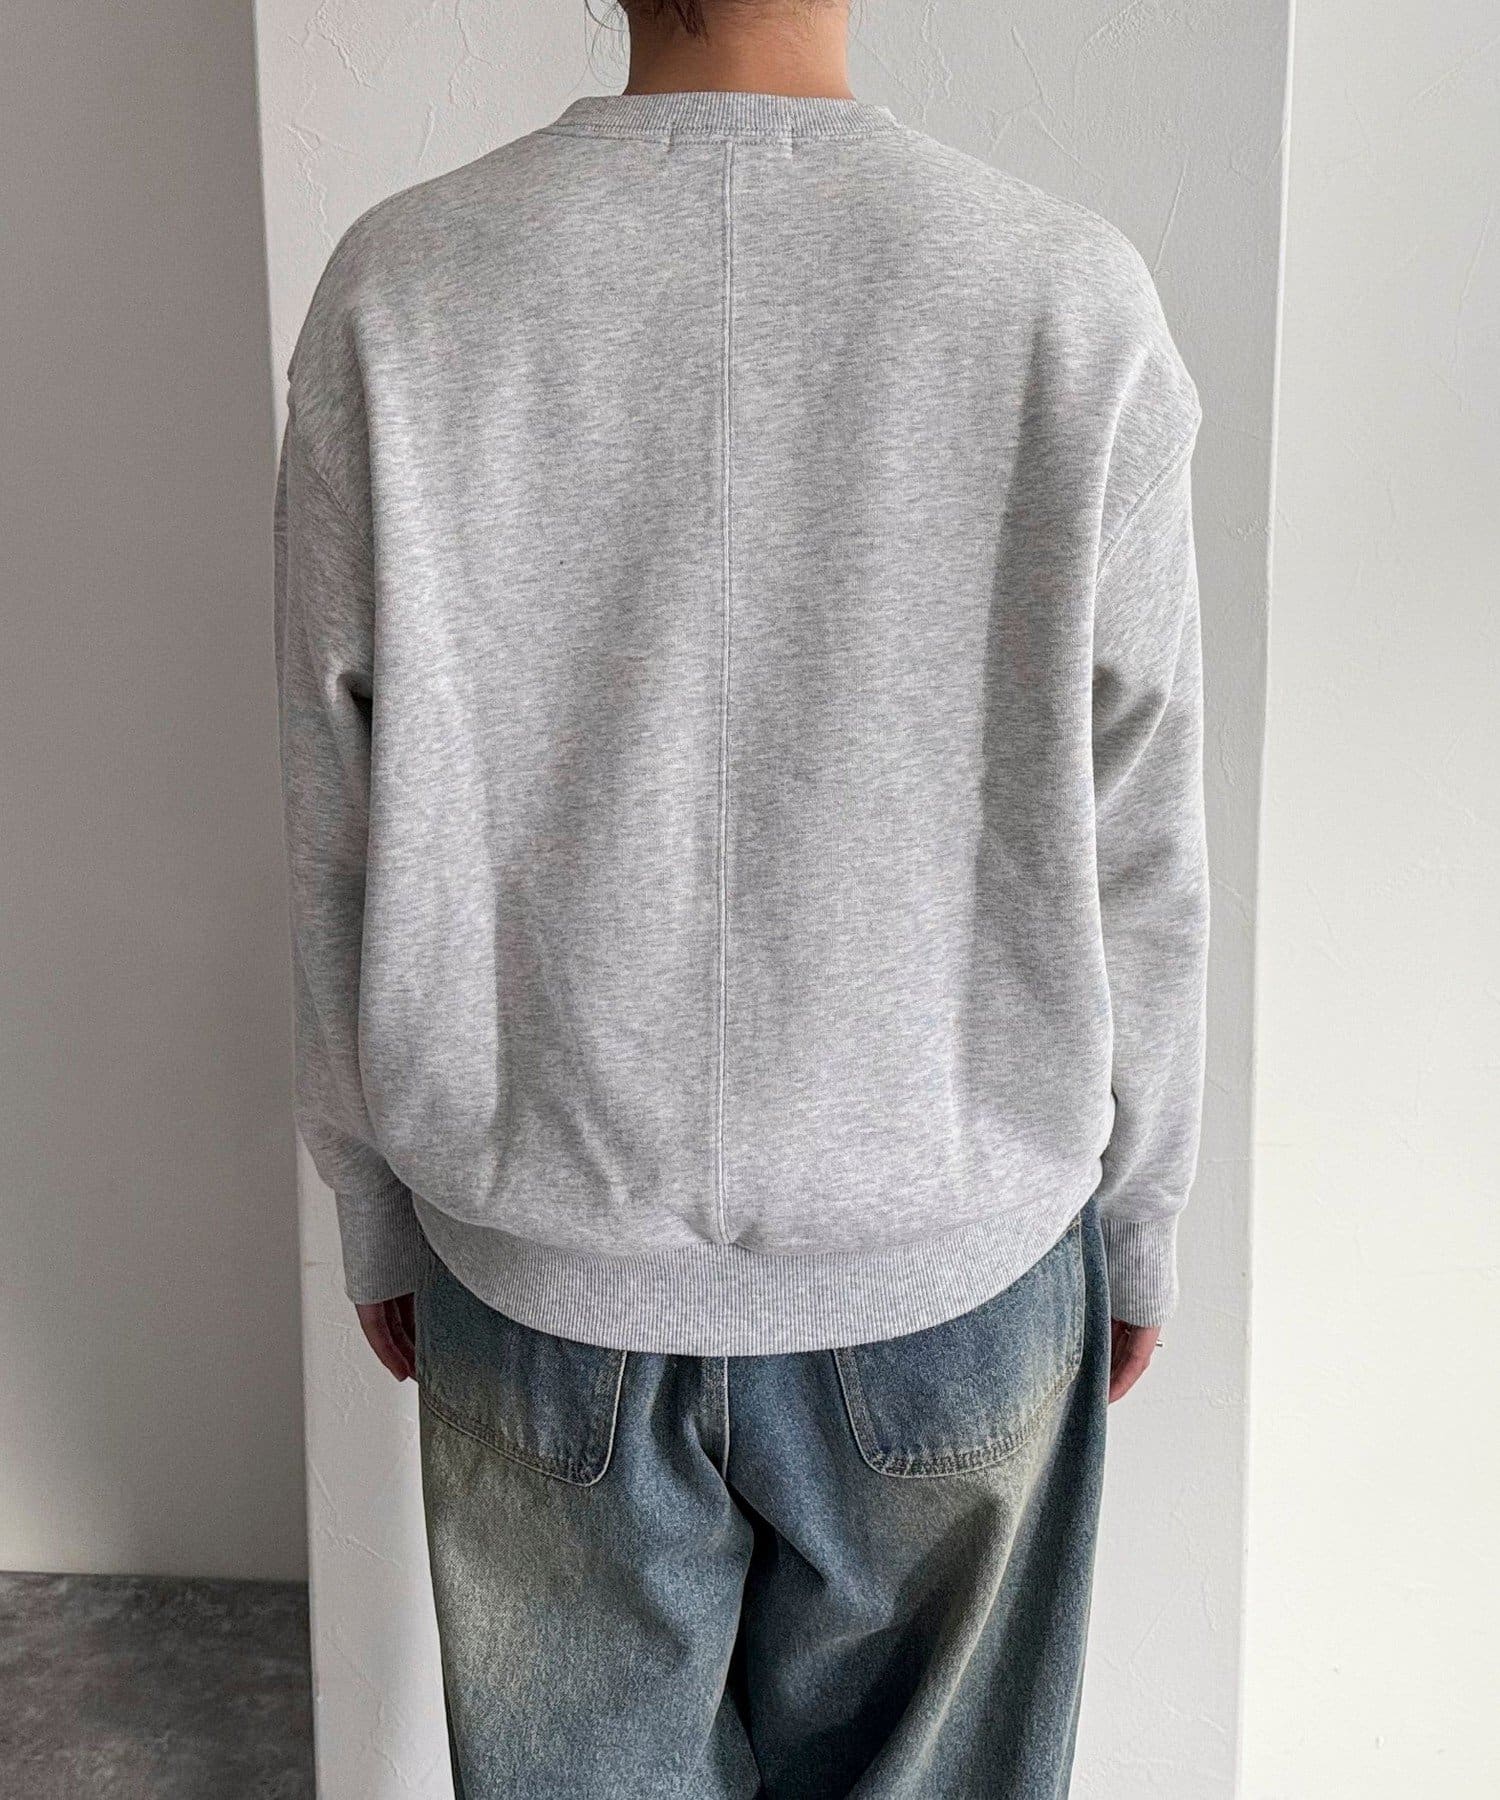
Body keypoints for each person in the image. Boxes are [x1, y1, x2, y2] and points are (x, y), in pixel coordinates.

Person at [273, 0, 1208, 1792]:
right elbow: (1141, 829)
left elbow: (338, 809)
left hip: (540, 1278)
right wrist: (1143, 1217)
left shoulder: (402, 292)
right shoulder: (1065, 296)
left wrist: (375, 1200)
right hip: (958, 1270)